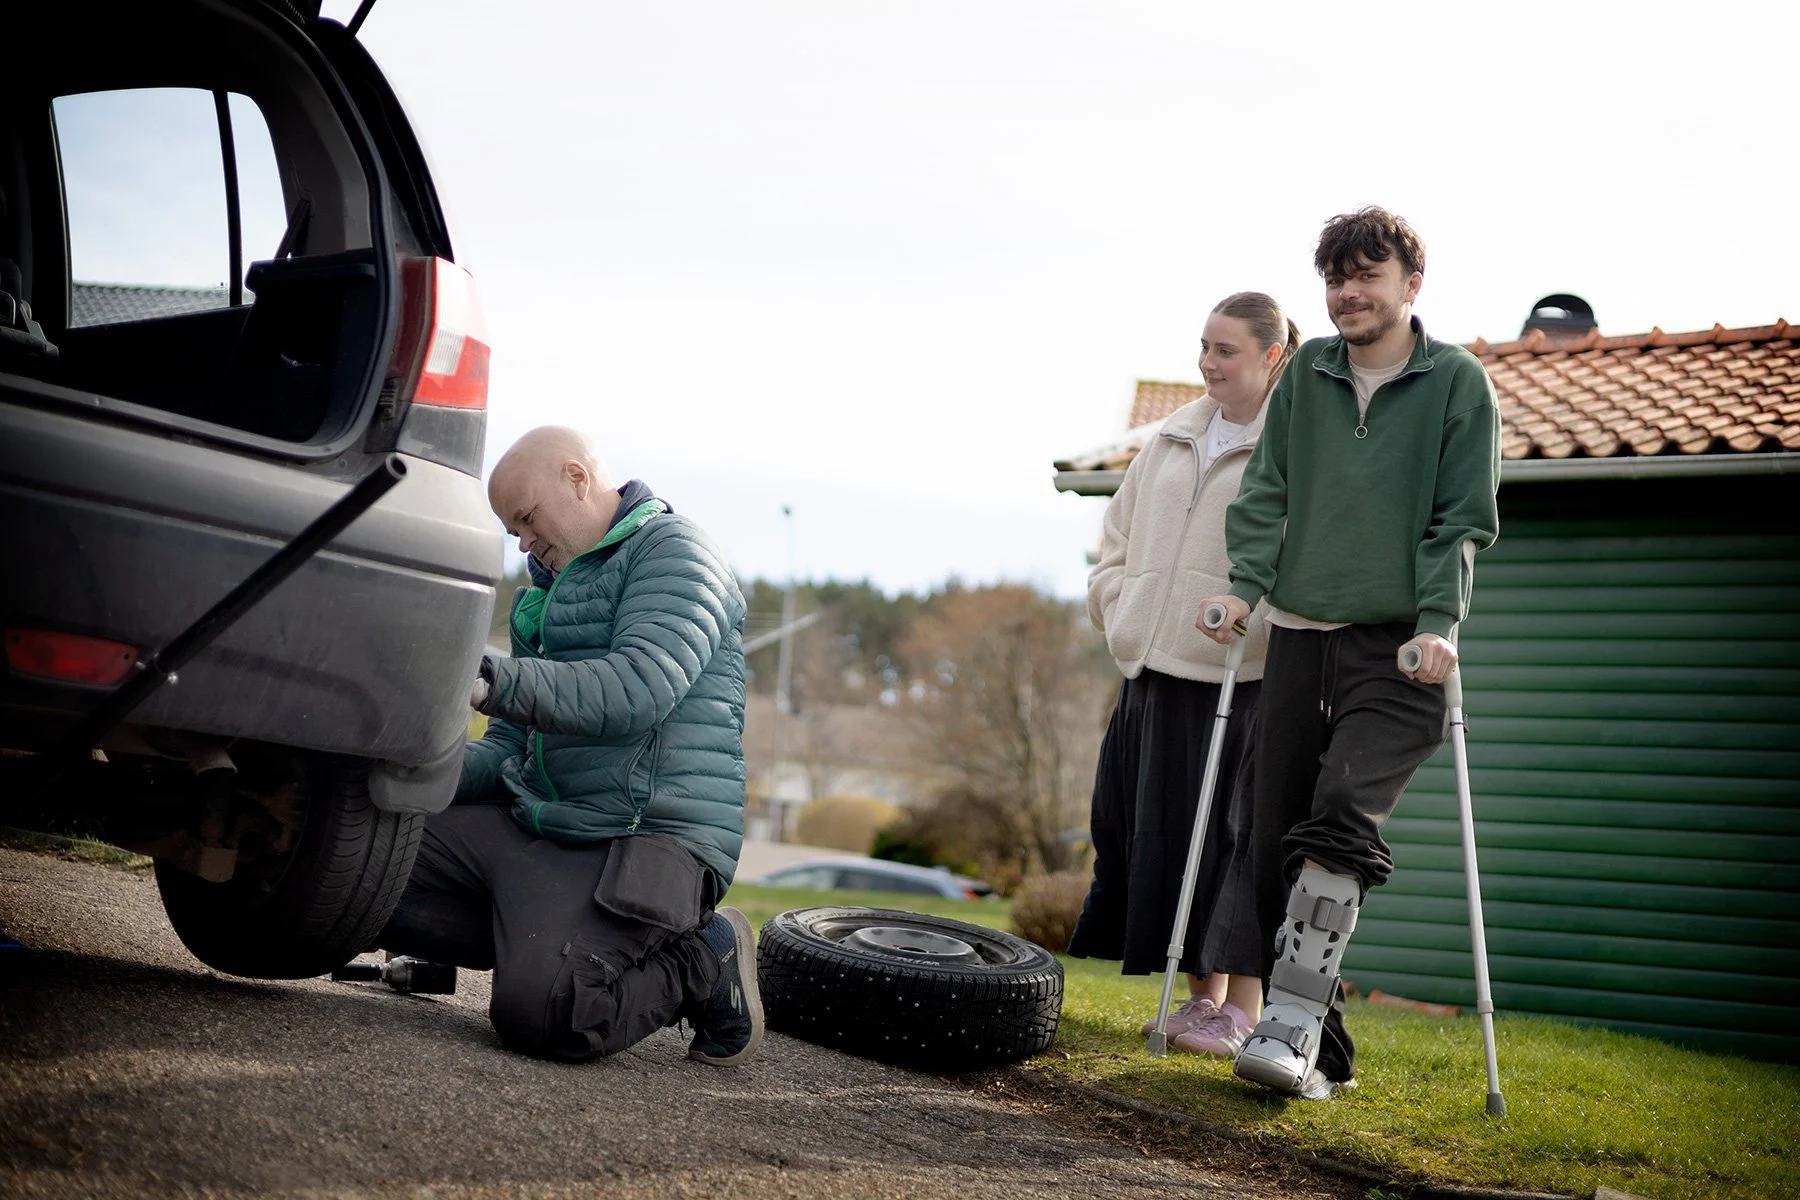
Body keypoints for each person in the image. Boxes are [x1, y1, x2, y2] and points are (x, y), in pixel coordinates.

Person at [1199, 207, 1501, 1099]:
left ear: (1411, 285)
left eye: (1367, 275)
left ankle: (1287, 1026)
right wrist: (1245, 587)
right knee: (1273, 844)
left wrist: (1438, 623)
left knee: (1338, 814)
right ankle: (1318, 1051)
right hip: (1299, 633)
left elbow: (1461, 519)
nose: (1348, 293)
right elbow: (1267, 488)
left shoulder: (1458, 382)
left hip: (1401, 647)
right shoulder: (1307, 374)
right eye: (1336, 278)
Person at [377, 426, 762, 1066]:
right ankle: (541, 943)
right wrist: (412, 766)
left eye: (528, 518)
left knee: (546, 1015)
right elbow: (508, 749)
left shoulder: (677, 552)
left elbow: (637, 688)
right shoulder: (541, 598)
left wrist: (487, 678)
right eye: (513, 531)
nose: (524, 542)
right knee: (364, 860)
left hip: (647, 840)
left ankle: (702, 956)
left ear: (577, 479)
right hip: (547, 826)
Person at [1067, 292, 1299, 1058]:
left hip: (1236, 675)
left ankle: (1241, 1010)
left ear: (1271, 356)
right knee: (1157, 832)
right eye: (1203, 346)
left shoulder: (1291, 446)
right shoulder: (1171, 437)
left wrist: (1254, 621)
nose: (1207, 363)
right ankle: (1203, 1001)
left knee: (1232, 841)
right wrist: (1119, 604)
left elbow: (1297, 558)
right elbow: (1117, 537)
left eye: (1225, 350)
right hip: (1152, 666)